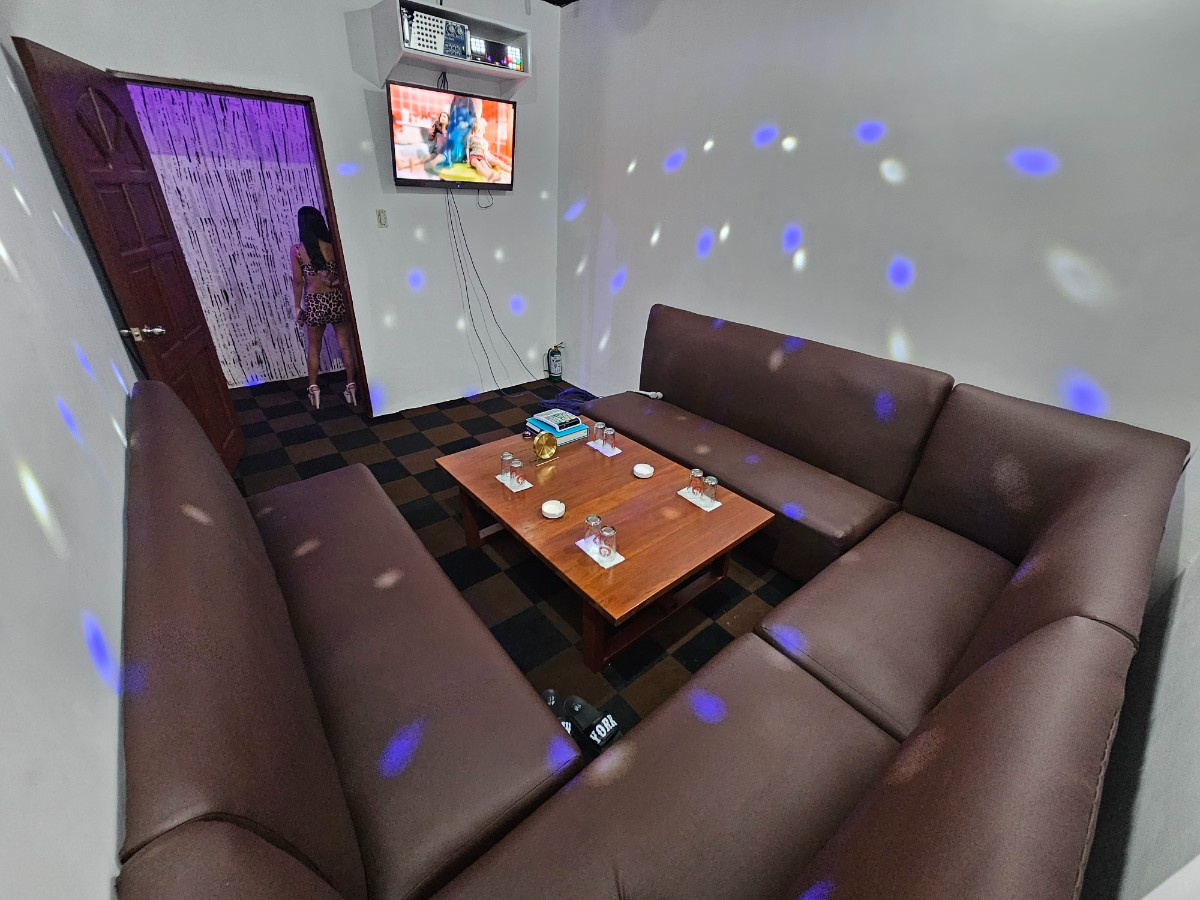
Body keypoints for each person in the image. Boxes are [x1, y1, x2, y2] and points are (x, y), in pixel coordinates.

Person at [291, 206, 358, 409]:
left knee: (314, 347)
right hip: (337, 299)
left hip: (315, 302)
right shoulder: (333, 246)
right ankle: (351, 385)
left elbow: (298, 282)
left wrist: (297, 306)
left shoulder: (297, 250)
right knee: (345, 344)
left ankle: (314, 388)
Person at [467, 117, 512, 183]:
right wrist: (468, 160)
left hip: (483, 156)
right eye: (476, 124)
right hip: (478, 156)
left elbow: (485, 151)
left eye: (479, 124)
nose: (483, 130)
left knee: (496, 161)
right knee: (491, 162)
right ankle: (493, 177)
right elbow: (469, 148)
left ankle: (510, 171)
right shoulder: (472, 137)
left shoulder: (482, 140)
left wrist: (488, 160)